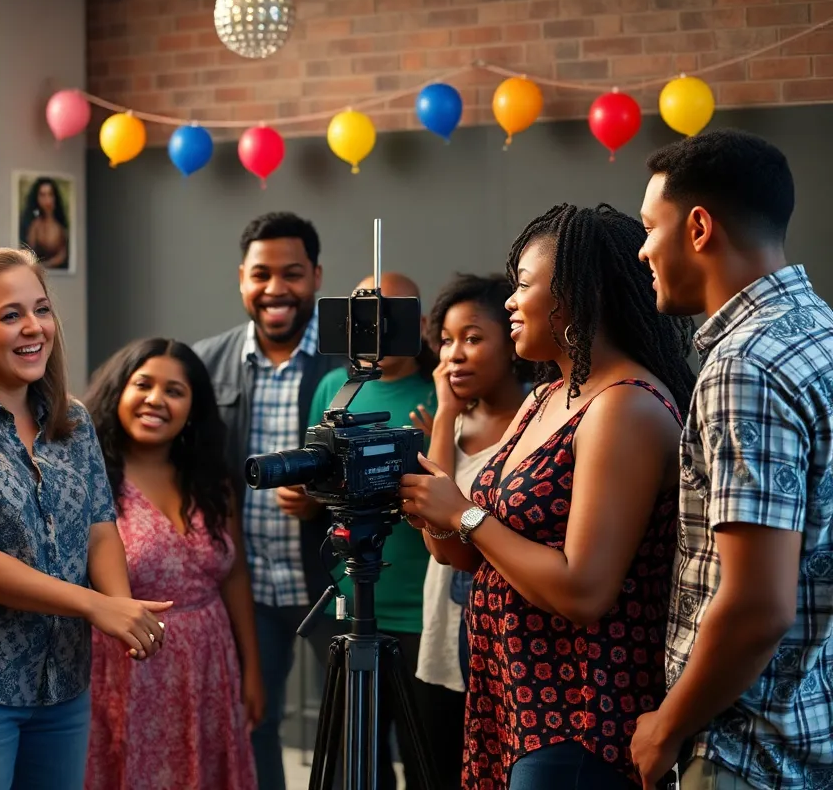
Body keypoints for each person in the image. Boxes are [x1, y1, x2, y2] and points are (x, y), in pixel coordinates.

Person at [400, 203, 697, 790]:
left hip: (580, 718)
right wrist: (425, 499)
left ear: (577, 296)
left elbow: (584, 591)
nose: (510, 301)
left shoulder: (625, 405)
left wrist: (462, 512)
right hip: (510, 706)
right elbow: (461, 554)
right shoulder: (545, 396)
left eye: (524, 286)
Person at [0, 247, 171, 790]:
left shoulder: (73, 420)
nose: (33, 327)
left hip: (62, 681)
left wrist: (122, 607)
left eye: (40, 309)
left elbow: (99, 527)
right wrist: (97, 606)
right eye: (10, 315)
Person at [630, 130, 833, 790]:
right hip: (810, 730)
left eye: (648, 228)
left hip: (748, 752)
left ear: (697, 227)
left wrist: (666, 726)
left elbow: (756, 605)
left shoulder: (743, 367)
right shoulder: (818, 331)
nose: (642, 251)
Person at [193, 211, 343, 790]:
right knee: (251, 725)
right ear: (241, 279)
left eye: (293, 273)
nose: (276, 288)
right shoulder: (206, 364)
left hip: (329, 581)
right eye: (261, 274)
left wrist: (324, 496)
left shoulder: (345, 364)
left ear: (316, 276)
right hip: (244, 585)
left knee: (353, 725)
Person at [83, 337, 262, 790]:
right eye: (143, 384)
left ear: (192, 407)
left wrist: (251, 667)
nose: (155, 400)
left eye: (175, 391)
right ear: (118, 392)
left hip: (210, 669)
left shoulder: (211, 481)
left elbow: (235, 575)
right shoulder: (89, 478)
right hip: (125, 673)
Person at [290, 272, 437, 790]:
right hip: (351, 603)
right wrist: (303, 493)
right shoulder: (336, 388)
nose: (372, 329)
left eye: (386, 317)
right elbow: (320, 481)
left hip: (423, 611)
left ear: (418, 325)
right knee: (357, 763)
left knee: (431, 763)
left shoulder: (443, 392)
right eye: (362, 318)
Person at [409, 273, 532, 789]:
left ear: (512, 341)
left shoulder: (536, 419)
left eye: (473, 338)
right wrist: (443, 419)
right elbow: (432, 534)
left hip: (502, 642)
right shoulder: (452, 425)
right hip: (442, 635)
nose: (454, 354)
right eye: (446, 340)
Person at [20, 177, 70, 270]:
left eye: (50, 194)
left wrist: (45, 266)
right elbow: (28, 252)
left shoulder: (60, 227)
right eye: (42, 195)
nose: (47, 199)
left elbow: (62, 256)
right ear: (37, 198)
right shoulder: (34, 224)